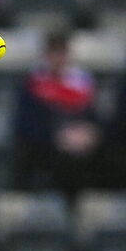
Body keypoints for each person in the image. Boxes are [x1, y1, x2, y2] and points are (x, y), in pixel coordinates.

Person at [12, 30, 103, 197]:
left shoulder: (82, 85)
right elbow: (24, 126)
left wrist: (89, 134)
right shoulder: (32, 85)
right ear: (45, 55)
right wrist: (58, 137)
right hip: (47, 153)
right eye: (54, 52)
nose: (58, 58)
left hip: (83, 152)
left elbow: (94, 119)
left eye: (62, 52)